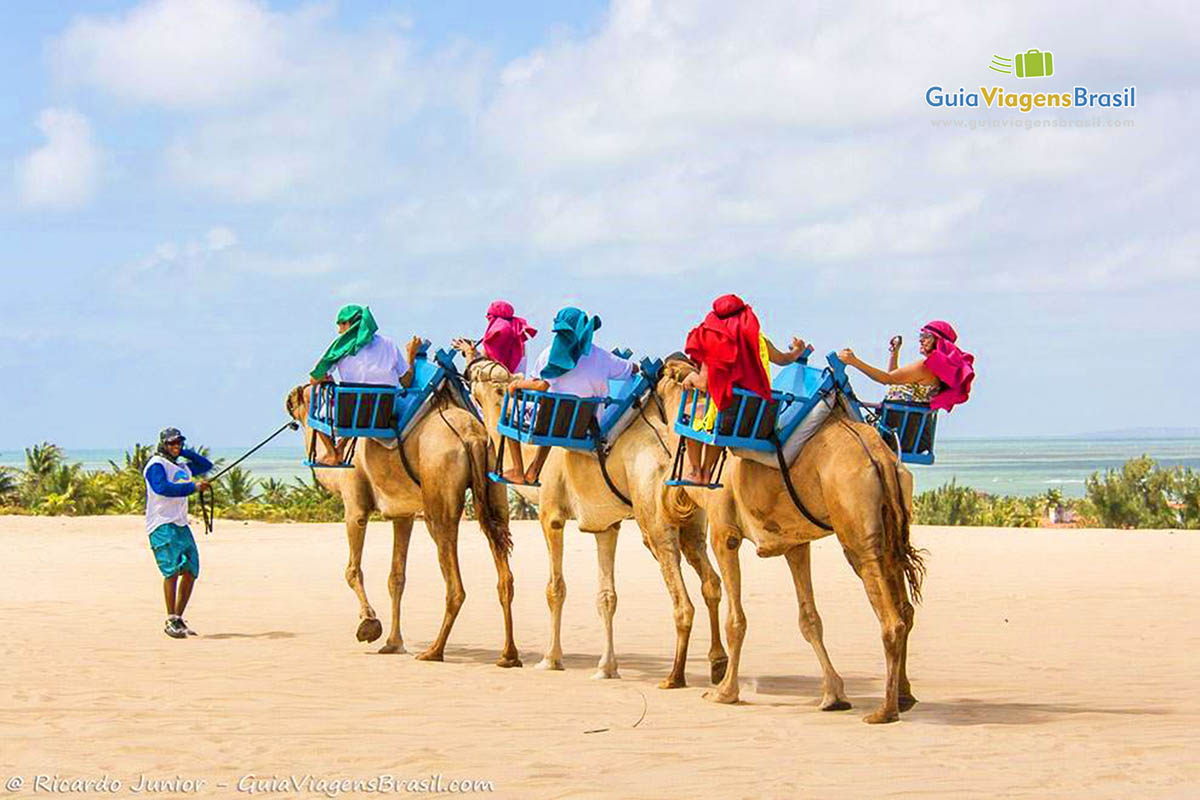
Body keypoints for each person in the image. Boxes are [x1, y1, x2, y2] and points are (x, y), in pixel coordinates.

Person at [500, 306, 638, 485]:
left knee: (512, 413)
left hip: (550, 423)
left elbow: (538, 385)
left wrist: (516, 384)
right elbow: (632, 369)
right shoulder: (603, 357)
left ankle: (518, 470)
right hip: (583, 427)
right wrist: (637, 368)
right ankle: (533, 470)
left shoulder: (549, 354)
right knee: (554, 416)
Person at [681, 294, 808, 485]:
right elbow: (783, 359)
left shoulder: (714, 342)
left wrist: (691, 377)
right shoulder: (759, 341)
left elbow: (704, 384)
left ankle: (696, 471)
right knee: (720, 420)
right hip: (757, 417)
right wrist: (797, 351)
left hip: (729, 416)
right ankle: (708, 470)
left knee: (692, 411)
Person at [308, 304, 422, 465]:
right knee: (358, 406)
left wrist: (324, 378)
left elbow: (314, 378)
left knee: (316, 412)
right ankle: (341, 448)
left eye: (341, 324)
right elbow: (406, 381)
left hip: (349, 415)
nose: (339, 330)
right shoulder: (388, 344)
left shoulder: (341, 347)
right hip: (382, 415)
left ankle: (332, 453)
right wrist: (411, 355)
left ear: (350, 324)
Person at [143, 427, 213, 639]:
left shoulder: (181, 465)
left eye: (179, 443)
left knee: (191, 570)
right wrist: (193, 488)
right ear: (163, 444)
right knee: (171, 571)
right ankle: (170, 618)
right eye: (172, 443)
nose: (176, 447)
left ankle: (179, 618)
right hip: (162, 523)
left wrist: (185, 452)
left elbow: (206, 465)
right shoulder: (156, 464)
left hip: (181, 524)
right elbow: (162, 488)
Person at [838, 320, 975, 411]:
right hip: (906, 425)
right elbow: (895, 381)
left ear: (940, 342)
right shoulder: (937, 369)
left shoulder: (925, 366)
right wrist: (894, 354)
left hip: (896, 427)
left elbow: (887, 379)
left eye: (927, 336)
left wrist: (854, 361)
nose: (921, 340)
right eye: (921, 335)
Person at [454, 300, 537, 375]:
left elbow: (482, 370)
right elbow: (493, 361)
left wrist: (468, 351)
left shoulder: (497, 335)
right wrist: (475, 352)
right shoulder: (518, 339)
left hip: (496, 386)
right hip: (516, 386)